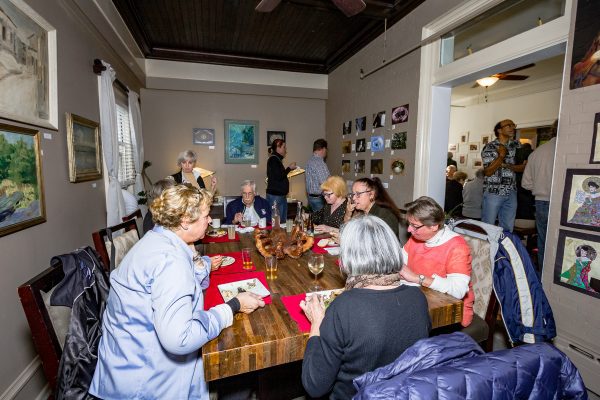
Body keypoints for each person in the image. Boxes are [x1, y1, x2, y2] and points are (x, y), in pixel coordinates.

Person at [90, 185, 265, 399]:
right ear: (184, 221)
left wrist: (193, 253)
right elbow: (180, 339)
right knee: (239, 367)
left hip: (124, 362)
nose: (210, 220)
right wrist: (234, 305)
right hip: (146, 380)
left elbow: (189, 283)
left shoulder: (160, 238)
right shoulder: (170, 261)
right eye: (205, 216)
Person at [300, 215, 430, 399]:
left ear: (349, 256)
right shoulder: (417, 297)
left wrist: (316, 325)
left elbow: (314, 386)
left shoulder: (344, 307)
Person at [400, 196, 474, 327]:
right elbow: (400, 262)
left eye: (415, 226)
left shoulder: (457, 247)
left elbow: (458, 290)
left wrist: (417, 278)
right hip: (420, 299)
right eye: (409, 224)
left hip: (448, 313)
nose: (409, 230)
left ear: (434, 226)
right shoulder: (416, 238)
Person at [522, 120, 558, 268]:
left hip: (541, 201)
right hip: (561, 201)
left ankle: (544, 273)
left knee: (543, 241)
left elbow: (526, 183)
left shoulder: (537, 153)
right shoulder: (566, 150)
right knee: (561, 241)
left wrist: (540, 188)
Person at [481, 119, 524, 232]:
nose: (512, 127)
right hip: (493, 191)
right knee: (488, 226)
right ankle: (486, 245)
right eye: (508, 125)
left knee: (508, 228)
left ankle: (504, 244)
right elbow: (488, 172)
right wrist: (501, 156)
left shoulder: (517, 145)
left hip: (511, 191)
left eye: (513, 125)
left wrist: (507, 165)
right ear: (499, 130)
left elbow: (524, 167)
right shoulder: (490, 147)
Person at [266, 139, 296, 220]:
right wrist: (289, 168)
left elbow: (279, 175)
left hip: (279, 195)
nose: (285, 149)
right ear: (278, 148)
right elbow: (279, 176)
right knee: (276, 221)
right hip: (275, 196)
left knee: (282, 221)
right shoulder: (273, 159)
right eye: (284, 147)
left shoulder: (276, 159)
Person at [305, 139, 330, 212]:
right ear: (323, 149)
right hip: (319, 199)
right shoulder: (320, 163)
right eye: (326, 149)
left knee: (315, 218)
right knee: (322, 218)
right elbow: (325, 183)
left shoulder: (309, 161)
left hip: (310, 198)